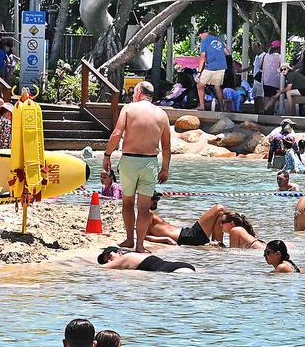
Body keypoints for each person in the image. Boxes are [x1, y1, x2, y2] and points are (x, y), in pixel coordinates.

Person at [104, 82, 171, 253]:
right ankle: (140, 245)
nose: (133, 95)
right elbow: (166, 147)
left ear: (139, 92)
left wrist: (107, 155)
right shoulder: (162, 114)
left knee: (127, 202)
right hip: (150, 162)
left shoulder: (128, 109)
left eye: (134, 92)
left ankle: (129, 239)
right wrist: (165, 169)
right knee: (144, 207)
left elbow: (117, 134)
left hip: (129, 161)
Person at [144, 198, 226, 246]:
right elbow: (143, 237)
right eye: (154, 198)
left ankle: (216, 244)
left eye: (157, 199)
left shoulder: (148, 215)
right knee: (219, 209)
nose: (156, 201)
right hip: (187, 238)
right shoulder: (147, 214)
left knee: (220, 213)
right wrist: (166, 239)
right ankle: (217, 245)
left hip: (187, 235)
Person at [196, 27, 229, 111]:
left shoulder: (204, 41)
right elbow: (227, 53)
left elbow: (202, 57)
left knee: (200, 85)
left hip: (210, 66)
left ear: (201, 34)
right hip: (222, 66)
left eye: (200, 36)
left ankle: (202, 106)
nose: (200, 37)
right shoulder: (218, 40)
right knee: (217, 87)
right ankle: (221, 108)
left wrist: (199, 72)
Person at [96, 246, 196, 272]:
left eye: (110, 257)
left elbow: (101, 268)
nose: (109, 261)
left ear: (119, 252)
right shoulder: (137, 255)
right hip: (180, 266)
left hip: (173, 270)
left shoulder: (125, 258)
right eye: (107, 261)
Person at [259, 40, 283, 114]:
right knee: (275, 97)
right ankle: (273, 113)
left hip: (265, 80)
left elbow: (260, 67)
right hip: (276, 81)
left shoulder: (265, 56)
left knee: (266, 97)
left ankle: (266, 113)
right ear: (278, 48)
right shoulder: (280, 57)